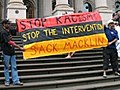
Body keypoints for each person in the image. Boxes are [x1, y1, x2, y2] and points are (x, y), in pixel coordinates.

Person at [0, 19, 24, 86]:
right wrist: (19, 47)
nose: (9, 25)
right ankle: (7, 81)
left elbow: (16, 30)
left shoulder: (9, 31)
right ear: (4, 24)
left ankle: (16, 81)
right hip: (6, 52)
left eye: (9, 23)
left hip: (12, 52)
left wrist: (20, 23)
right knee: (7, 67)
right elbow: (9, 42)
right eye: (7, 23)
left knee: (14, 67)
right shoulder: (3, 32)